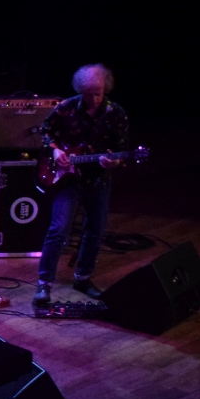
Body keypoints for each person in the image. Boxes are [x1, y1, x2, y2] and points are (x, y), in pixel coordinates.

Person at [34, 64, 129, 308]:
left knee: (95, 231)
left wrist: (113, 161)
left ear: (105, 88)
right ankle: (44, 283)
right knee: (58, 229)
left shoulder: (116, 113)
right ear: (80, 90)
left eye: (98, 93)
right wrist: (55, 151)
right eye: (88, 94)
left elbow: (120, 150)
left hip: (98, 179)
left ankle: (83, 278)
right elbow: (44, 131)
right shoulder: (66, 107)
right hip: (69, 179)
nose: (94, 99)